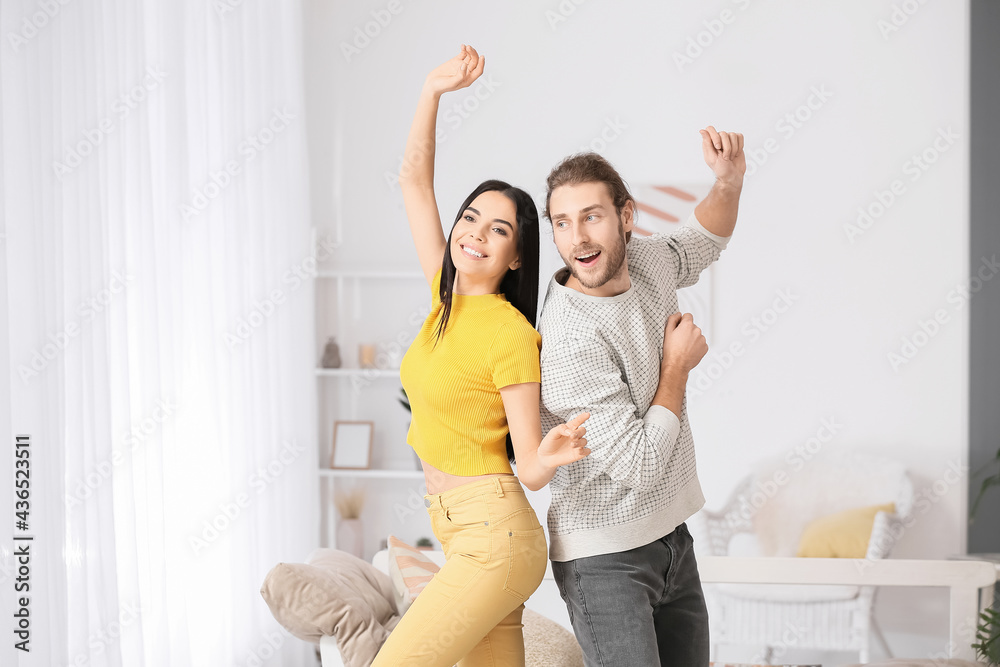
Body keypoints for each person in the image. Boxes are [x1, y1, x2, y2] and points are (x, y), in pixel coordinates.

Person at [371, 45, 591, 667]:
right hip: (460, 531)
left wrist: (548, 456)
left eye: (498, 229)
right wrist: (431, 93)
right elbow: (413, 180)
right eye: (471, 217)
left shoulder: (510, 333)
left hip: (495, 536)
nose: (474, 232)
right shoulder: (443, 300)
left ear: (517, 257)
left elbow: (527, 468)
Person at [537, 130, 745, 666]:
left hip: (671, 537)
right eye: (562, 223)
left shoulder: (649, 263)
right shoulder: (568, 337)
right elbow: (640, 463)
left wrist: (729, 181)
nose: (577, 238)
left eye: (592, 216)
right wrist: (676, 366)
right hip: (605, 557)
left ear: (626, 216)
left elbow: (706, 238)